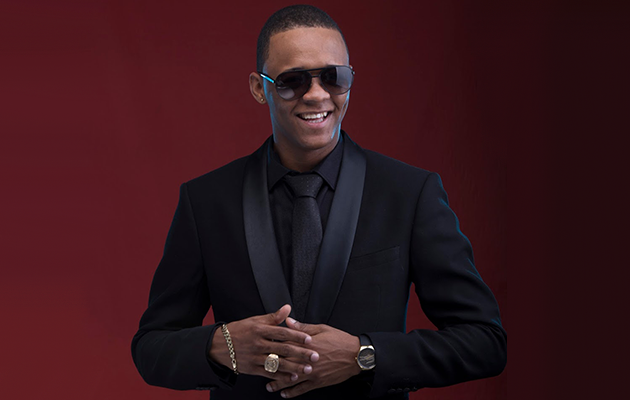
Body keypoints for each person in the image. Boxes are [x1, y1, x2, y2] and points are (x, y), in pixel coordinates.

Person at [131, 5, 506, 400]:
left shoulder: (410, 193)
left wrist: (364, 355)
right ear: (259, 88)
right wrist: (220, 345)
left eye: (333, 77)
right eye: (292, 81)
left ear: (350, 79)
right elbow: (151, 348)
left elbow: (484, 342)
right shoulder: (206, 200)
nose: (317, 94)